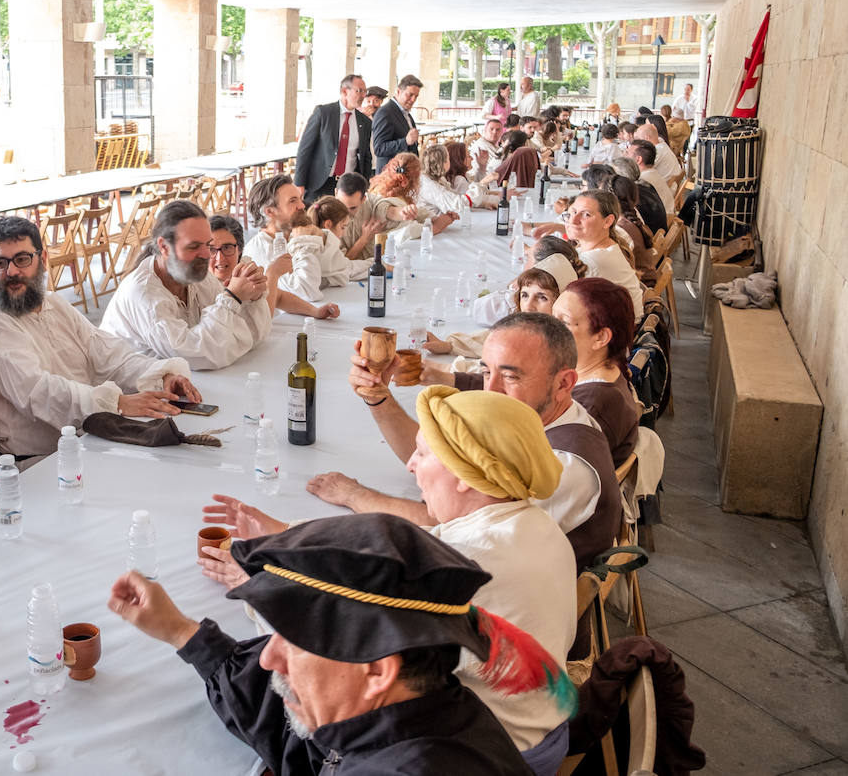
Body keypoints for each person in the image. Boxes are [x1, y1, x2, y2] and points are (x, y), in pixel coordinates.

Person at [199, 388, 580, 771]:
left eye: (424, 453)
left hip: (495, 753)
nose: (411, 464)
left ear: (465, 475)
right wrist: (284, 532)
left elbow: (330, 641)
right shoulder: (531, 523)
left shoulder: (473, 561)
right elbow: (409, 544)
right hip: (540, 729)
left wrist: (248, 586)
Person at [110, 511, 564, 775]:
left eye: (289, 641)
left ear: (378, 669)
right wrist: (180, 632)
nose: (268, 658)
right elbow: (298, 740)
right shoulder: (415, 710)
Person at [313, 312, 620, 573]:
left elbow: (443, 521)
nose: (491, 390)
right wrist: (379, 398)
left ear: (563, 383)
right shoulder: (535, 420)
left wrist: (355, 495)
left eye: (511, 377)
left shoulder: (565, 465)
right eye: (487, 372)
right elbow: (439, 460)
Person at [0, 216, 200, 458]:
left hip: (88, 441)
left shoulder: (52, 303)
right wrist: (116, 403)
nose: (11, 271)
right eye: (1, 263)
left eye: (22, 259)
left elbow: (107, 354)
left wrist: (162, 375)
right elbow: (36, 392)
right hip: (36, 463)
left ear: (42, 260)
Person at [101, 200, 271, 370]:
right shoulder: (144, 295)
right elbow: (197, 357)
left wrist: (252, 296)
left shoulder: (194, 275)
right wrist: (232, 297)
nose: (206, 255)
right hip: (130, 390)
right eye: (194, 246)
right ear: (164, 247)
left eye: (207, 245)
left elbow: (245, 335)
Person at [553, 278, 640, 468]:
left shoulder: (591, 407)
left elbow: (549, 475)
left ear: (600, 337)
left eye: (564, 322)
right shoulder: (608, 371)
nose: (549, 328)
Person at [207, 215, 338, 320]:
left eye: (227, 248)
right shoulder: (201, 287)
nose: (219, 258)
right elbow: (261, 321)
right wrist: (273, 274)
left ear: (240, 249)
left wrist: (315, 311)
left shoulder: (243, 267)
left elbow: (278, 297)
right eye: (211, 249)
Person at [243, 174, 327, 301]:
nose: (302, 206)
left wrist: (323, 236)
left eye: (300, 198)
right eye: (293, 201)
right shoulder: (260, 250)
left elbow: (339, 273)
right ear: (270, 212)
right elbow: (307, 293)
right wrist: (302, 243)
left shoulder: (292, 235)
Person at [563, 191, 645, 319]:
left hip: (615, 334)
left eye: (586, 215)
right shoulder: (605, 247)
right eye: (573, 212)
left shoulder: (594, 262)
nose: (573, 220)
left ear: (607, 221)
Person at [294, 74, 373, 204]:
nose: (363, 95)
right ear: (344, 91)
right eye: (359, 91)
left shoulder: (364, 122)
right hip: (320, 183)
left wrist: (364, 185)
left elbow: (366, 156)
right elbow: (305, 149)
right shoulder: (324, 113)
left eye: (365, 91)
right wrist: (299, 183)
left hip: (348, 185)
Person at [305, 197, 374, 286]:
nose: (343, 233)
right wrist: (380, 263)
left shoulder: (317, 243)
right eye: (342, 227)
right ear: (328, 224)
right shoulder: (320, 252)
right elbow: (348, 269)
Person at [371, 74, 424, 170]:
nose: (413, 100)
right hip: (390, 177)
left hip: (405, 175)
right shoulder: (385, 113)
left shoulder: (406, 114)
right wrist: (405, 141)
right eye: (410, 94)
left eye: (416, 96)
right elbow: (379, 149)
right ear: (398, 91)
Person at [632, 138, 677, 214]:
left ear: (638, 159)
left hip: (659, 221)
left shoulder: (642, 182)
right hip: (667, 215)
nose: (624, 155)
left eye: (627, 153)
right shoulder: (654, 174)